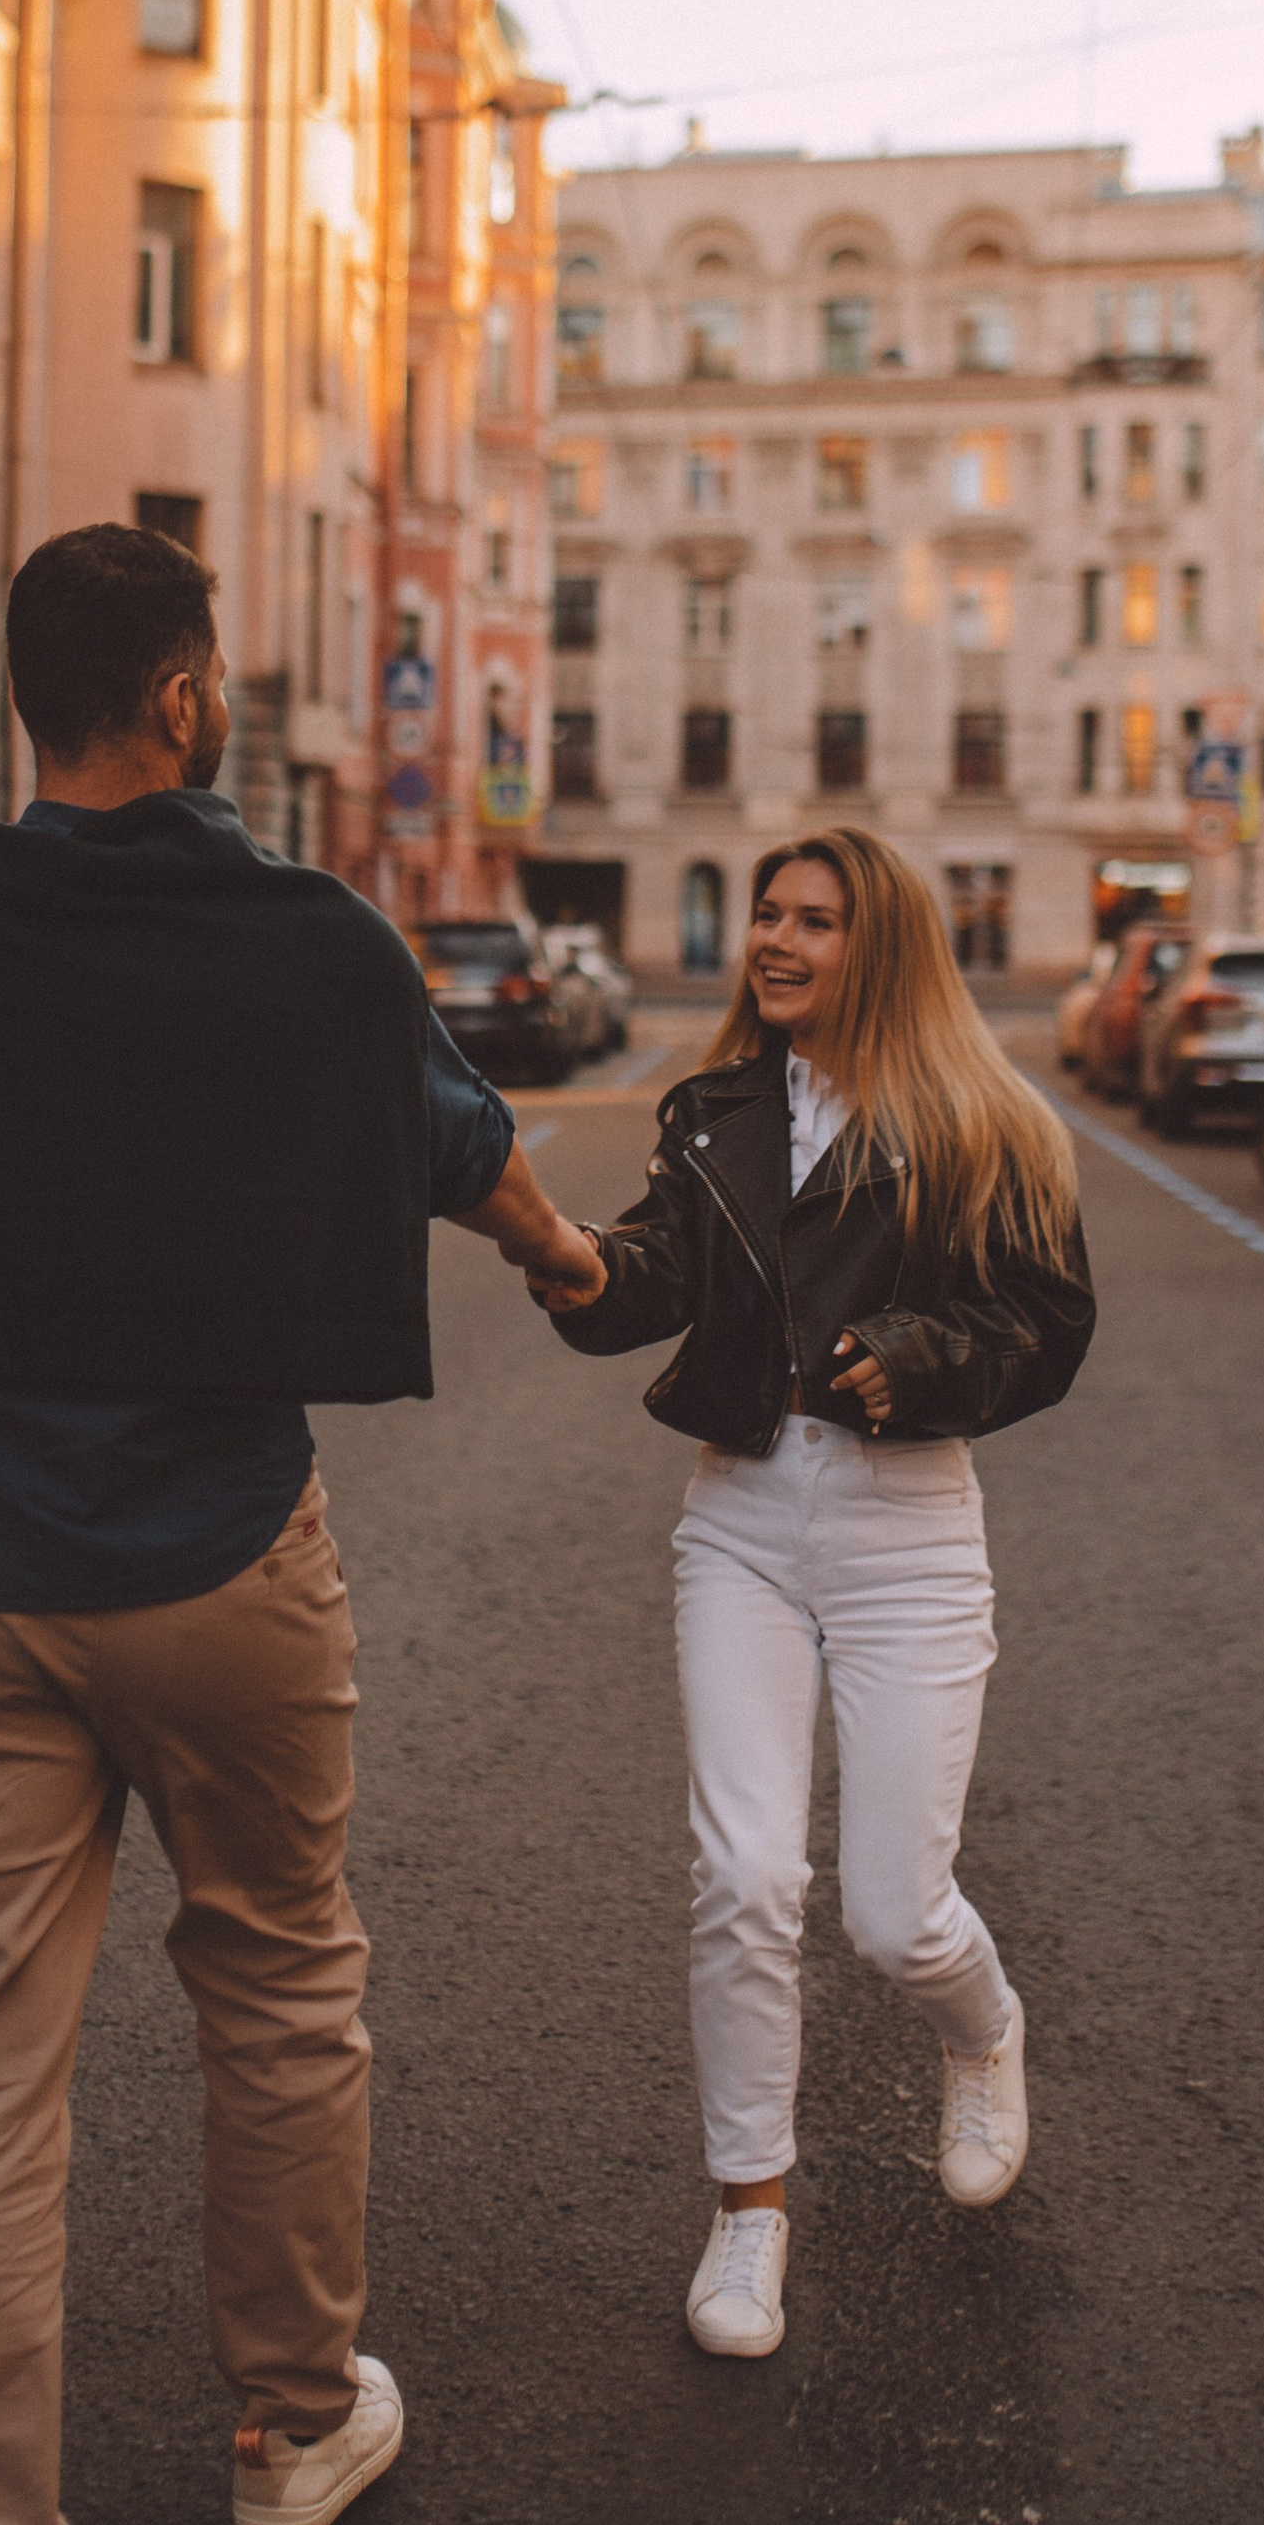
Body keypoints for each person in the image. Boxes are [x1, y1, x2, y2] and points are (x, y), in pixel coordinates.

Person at [0, 523, 598, 2525]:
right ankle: (294, 2429)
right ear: (186, 698)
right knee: (280, 1968)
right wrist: (569, 1258)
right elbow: (459, 1143)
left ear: (22, 699)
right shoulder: (309, 935)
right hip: (219, 1556)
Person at [531, 829, 1092, 2363]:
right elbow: (652, 1281)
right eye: (766, 915)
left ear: (881, 945)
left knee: (896, 1918)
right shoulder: (717, 1111)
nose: (775, 941)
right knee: (744, 1879)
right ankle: (749, 2213)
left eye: (814, 921)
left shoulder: (983, 1123)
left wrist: (918, 1361)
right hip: (745, 1522)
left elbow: (1045, 1326)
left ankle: (983, 2031)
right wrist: (568, 1256)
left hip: (910, 1531)